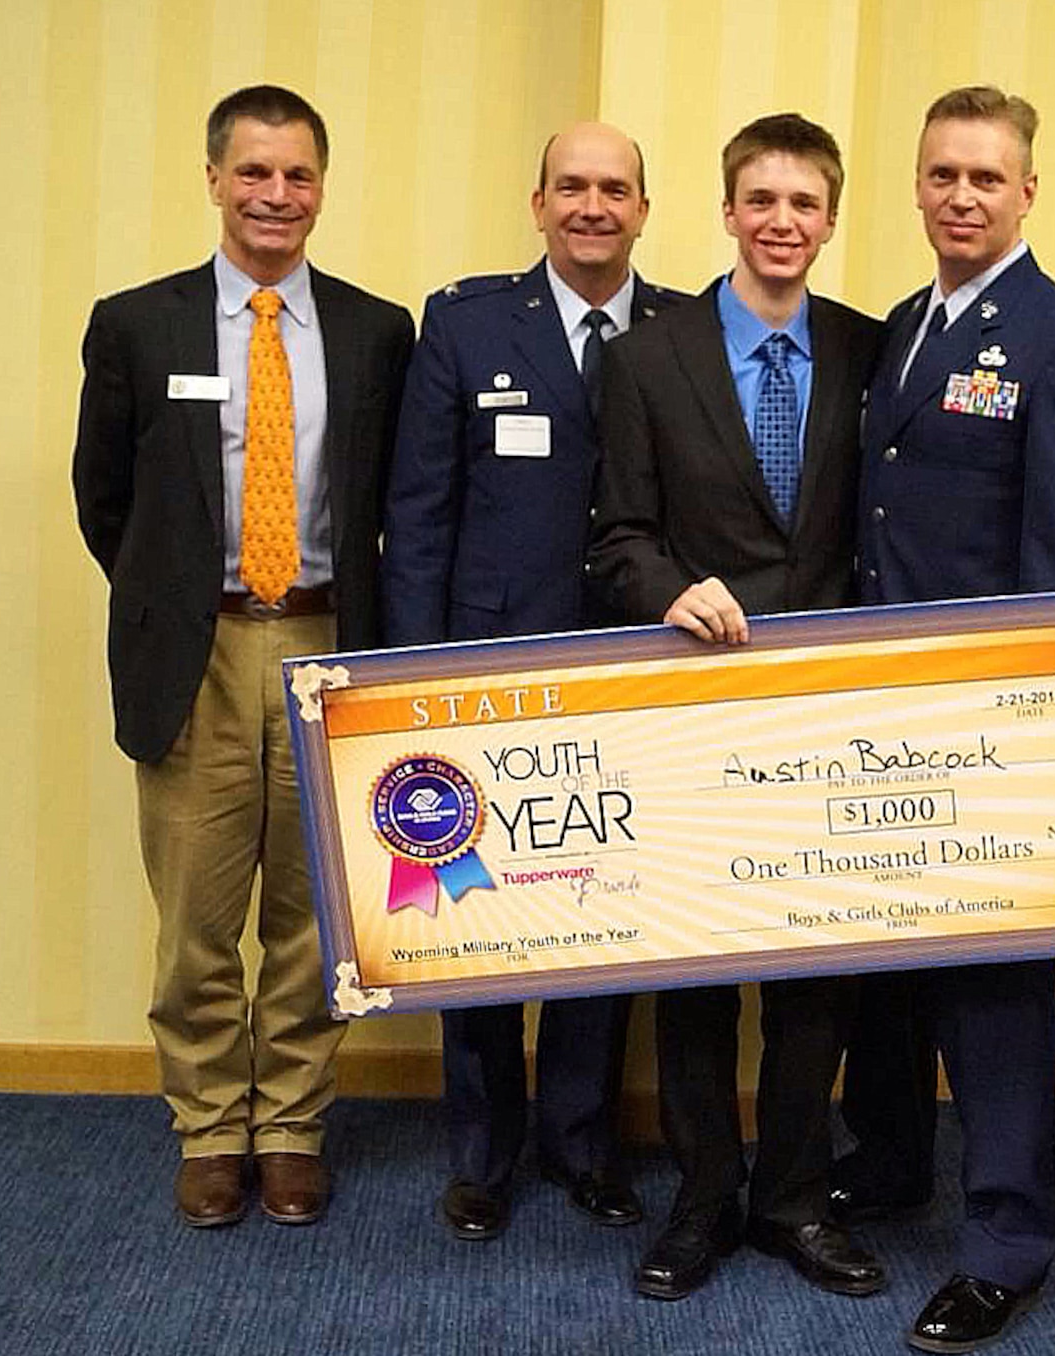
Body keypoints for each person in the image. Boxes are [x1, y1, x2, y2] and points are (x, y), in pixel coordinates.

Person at [71, 84, 413, 1229]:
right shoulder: (138, 324)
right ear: (214, 178)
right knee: (198, 918)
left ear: (322, 184)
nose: (277, 195)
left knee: (315, 914)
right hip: (197, 653)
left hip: (326, 648)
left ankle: (292, 1127)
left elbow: (393, 501)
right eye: (255, 172)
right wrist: (176, 601)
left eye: (299, 174)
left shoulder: (376, 333)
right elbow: (104, 498)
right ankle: (212, 1125)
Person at [849, 85, 1055, 1353]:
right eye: (940, 175)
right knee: (887, 955)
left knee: (995, 986)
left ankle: (1007, 1240)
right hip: (868, 704)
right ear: (916, 187)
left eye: (985, 178)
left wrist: (1024, 729)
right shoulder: (903, 327)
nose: (960, 196)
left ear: (1027, 192)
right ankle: (893, 1162)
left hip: (986, 719)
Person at [591, 112, 886, 1303]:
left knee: (816, 971)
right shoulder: (644, 358)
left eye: (804, 203)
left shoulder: (872, 352)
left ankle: (796, 1199)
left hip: (825, 707)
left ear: (829, 217)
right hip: (695, 703)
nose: (781, 222)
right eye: (759, 200)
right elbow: (613, 535)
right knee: (699, 970)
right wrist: (671, 589)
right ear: (724, 212)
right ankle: (704, 1195)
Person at [378, 122, 680, 1244]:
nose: (592, 206)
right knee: (477, 919)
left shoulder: (681, 329)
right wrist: (411, 676)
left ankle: (584, 1141)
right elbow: (417, 515)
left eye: (615, 189)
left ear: (644, 209)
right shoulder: (463, 323)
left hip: (627, 668)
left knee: (602, 915)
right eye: (572, 187)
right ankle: (483, 1152)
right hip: (483, 671)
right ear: (537, 201)